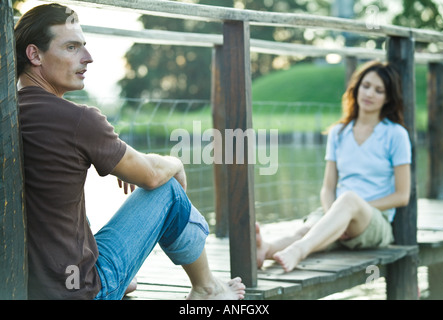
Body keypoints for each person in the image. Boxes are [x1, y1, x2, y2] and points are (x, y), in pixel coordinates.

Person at [15, 3, 245, 300]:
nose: (88, 58)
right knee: (168, 190)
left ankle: (118, 274)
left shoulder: (11, 115)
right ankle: (207, 288)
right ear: (34, 54)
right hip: (78, 291)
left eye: (84, 46)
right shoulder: (77, 119)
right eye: (72, 47)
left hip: (27, 286)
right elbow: (150, 176)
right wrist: (174, 162)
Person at [256, 60, 412, 273]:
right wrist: (336, 218)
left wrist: (352, 211)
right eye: (365, 86)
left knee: (348, 199)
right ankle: (265, 250)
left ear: (387, 98)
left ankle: (299, 251)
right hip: (338, 211)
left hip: (374, 220)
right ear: (356, 88)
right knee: (306, 230)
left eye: (379, 90)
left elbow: (402, 196)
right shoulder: (338, 133)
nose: (369, 94)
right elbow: (327, 188)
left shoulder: (396, 134)